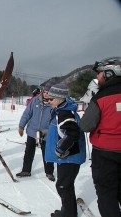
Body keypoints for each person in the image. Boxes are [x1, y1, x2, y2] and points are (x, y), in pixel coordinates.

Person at [80, 57, 121, 217]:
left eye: (100, 74)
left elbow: (85, 125)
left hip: (105, 155)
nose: (98, 78)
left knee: (107, 194)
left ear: (110, 73)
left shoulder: (100, 98)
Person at [45, 83, 86, 217]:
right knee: (65, 185)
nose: (48, 101)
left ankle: (68, 213)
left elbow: (73, 134)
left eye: (50, 99)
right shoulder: (62, 110)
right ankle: (68, 211)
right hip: (67, 157)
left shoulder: (64, 113)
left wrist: (60, 149)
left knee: (63, 186)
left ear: (58, 99)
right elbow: (63, 131)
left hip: (70, 157)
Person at [16, 81, 55, 181]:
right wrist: (21, 126)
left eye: (49, 92)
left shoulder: (54, 104)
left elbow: (56, 120)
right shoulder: (35, 100)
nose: (46, 94)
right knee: (29, 152)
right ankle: (26, 170)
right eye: (45, 91)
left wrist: (49, 131)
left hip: (46, 133)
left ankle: (49, 172)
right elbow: (27, 113)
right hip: (32, 131)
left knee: (47, 153)